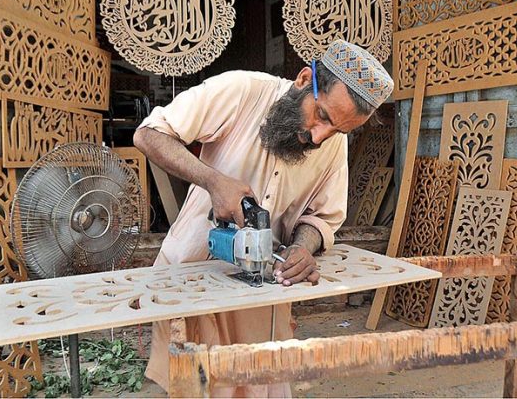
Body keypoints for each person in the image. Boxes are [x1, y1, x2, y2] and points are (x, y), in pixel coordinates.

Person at [133, 39, 394, 397]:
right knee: (194, 388)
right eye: (322, 117)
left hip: (258, 292)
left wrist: (303, 248)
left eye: (339, 131)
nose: (320, 137)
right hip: (190, 277)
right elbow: (148, 134)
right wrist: (213, 180)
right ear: (305, 80)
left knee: (259, 388)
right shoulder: (241, 90)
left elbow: (322, 217)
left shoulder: (331, 141)